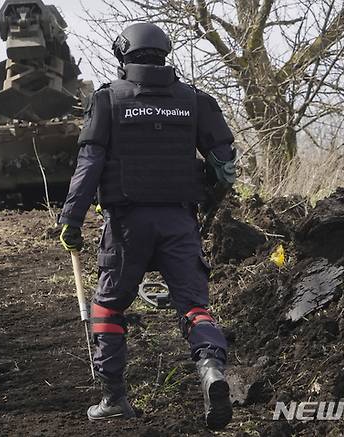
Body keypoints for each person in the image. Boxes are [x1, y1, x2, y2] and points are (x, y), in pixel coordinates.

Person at [58, 23, 237, 430]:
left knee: (108, 308)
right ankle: (210, 369)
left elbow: (89, 167)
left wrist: (71, 219)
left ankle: (114, 398)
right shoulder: (195, 101)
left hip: (126, 226)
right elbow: (225, 169)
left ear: (123, 54)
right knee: (194, 306)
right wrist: (207, 203)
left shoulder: (106, 100)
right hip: (179, 221)